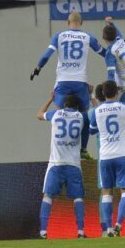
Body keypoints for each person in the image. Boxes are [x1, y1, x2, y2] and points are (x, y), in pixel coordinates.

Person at [31, 11, 106, 153]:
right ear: (81, 23)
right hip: (80, 82)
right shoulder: (87, 37)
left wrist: (38, 67)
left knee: (59, 116)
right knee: (85, 114)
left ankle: (60, 149)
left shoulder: (58, 36)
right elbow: (103, 52)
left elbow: (47, 55)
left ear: (67, 22)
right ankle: (83, 149)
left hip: (63, 82)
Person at [88, 80, 125, 237]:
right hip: (122, 154)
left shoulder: (97, 111)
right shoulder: (123, 107)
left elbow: (92, 130)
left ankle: (108, 229)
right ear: (117, 93)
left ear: (103, 93)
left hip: (105, 156)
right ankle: (120, 224)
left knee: (106, 192)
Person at [36, 91, 87, 239]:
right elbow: (90, 115)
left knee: (48, 196)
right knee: (78, 197)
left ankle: (43, 232)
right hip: (73, 164)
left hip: (56, 164)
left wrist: (50, 99)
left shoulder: (55, 114)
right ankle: (81, 232)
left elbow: (39, 114)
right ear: (76, 107)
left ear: (64, 105)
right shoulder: (81, 116)